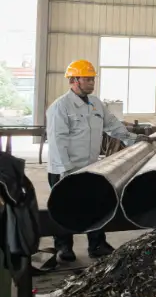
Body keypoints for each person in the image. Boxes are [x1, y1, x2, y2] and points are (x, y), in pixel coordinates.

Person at [46, 60, 139, 262]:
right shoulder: (60, 107)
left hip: (90, 167)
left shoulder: (96, 103)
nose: (91, 82)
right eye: (87, 79)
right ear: (73, 80)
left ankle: (97, 244)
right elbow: (57, 141)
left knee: (95, 204)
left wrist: (133, 140)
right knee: (64, 208)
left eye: (92, 78)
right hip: (64, 169)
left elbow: (113, 125)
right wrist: (66, 170)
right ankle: (64, 248)